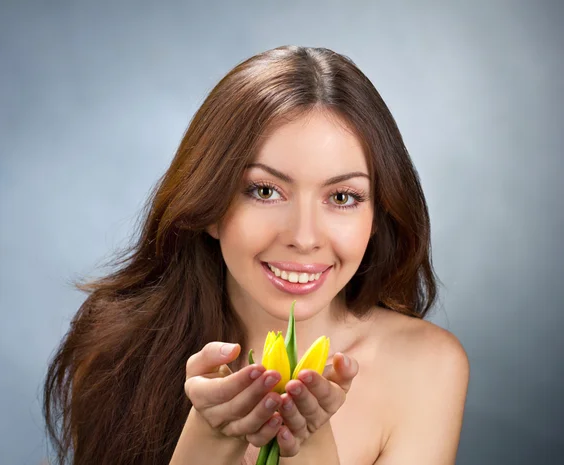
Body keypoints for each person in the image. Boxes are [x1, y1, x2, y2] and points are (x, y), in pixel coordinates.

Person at [43, 45, 469, 465]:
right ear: (209, 205)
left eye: (342, 196)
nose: (304, 238)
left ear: (378, 215)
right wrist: (206, 441)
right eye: (265, 191)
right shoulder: (119, 350)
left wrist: (309, 445)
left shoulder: (426, 367)